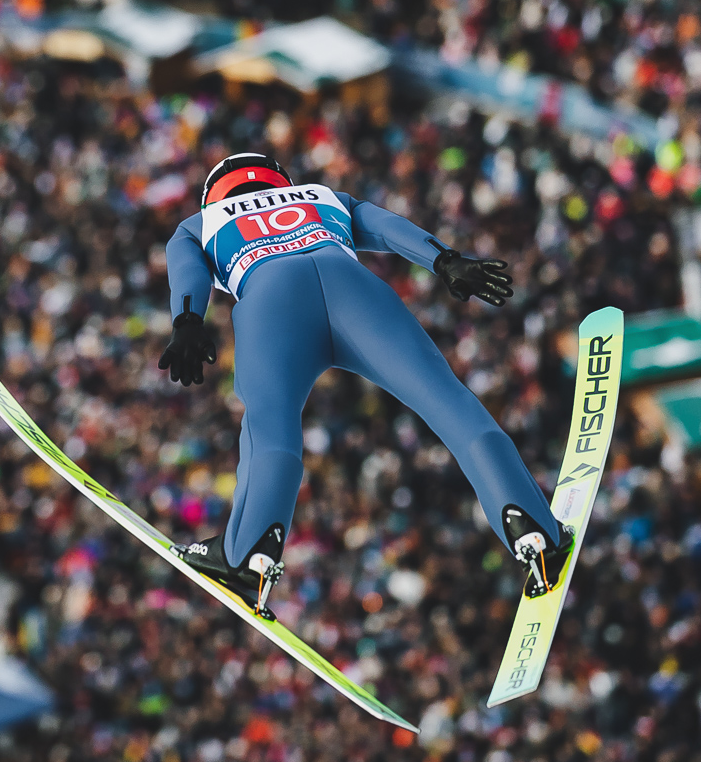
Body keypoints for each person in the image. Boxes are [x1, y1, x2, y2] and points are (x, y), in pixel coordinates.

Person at [156, 153, 570, 619]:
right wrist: (445, 260)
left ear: (214, 192)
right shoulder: (322, 195)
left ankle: (250, 553)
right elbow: (388, 227)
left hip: (270, 303)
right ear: (279, 181)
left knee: (271, 432)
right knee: (449, 404)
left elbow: (187, 270)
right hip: (355, 291)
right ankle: (531, 528)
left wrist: (188, 319)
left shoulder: (199, 222)